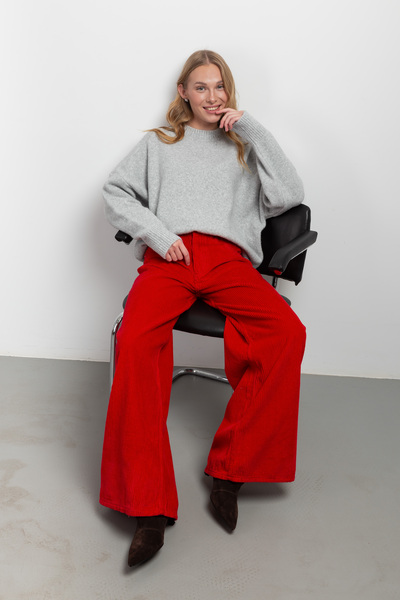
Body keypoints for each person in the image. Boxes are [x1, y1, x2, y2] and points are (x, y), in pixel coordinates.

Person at [100, 49, 306, 567]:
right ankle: (148, 507)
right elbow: (116, 193)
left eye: (220, 87)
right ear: (183, 93)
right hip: (170, 256)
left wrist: (250, 129)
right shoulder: (158, 144)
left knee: (286, 333)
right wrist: (158, 234)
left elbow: (289, 196)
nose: (212, 97)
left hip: (228, 260)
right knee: (136, 341)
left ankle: (230, 471)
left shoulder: (245, 148)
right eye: (201, 87)